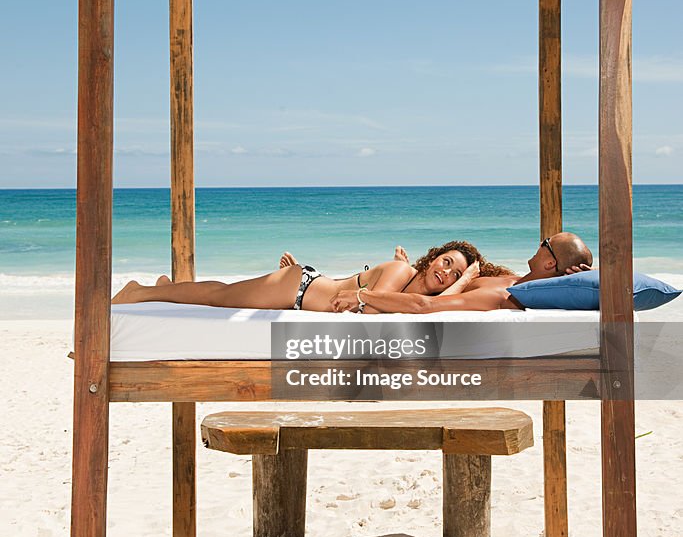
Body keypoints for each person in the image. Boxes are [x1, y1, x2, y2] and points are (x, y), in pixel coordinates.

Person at [112, 240, 488, 312]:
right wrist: (459, 285)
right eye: (446, 262)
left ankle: (165, 288)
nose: (446, 271)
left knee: (222, 293)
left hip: (305, 288)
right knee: (219, 297)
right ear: (432, 258)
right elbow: (374, 313)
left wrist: (459, 287)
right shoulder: (401, 270)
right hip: (299, 288)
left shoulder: (407, 284)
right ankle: (140, 292)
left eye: (454, 272)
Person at [330, 232, 593, 313]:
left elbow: (426, 305)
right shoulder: (514, 279)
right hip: (423, 286)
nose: (541, 242)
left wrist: (364, 296)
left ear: (550, 264)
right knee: (402, 268)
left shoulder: (504, 295)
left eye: (546, 243)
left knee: (395, 272)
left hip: (416, 299)